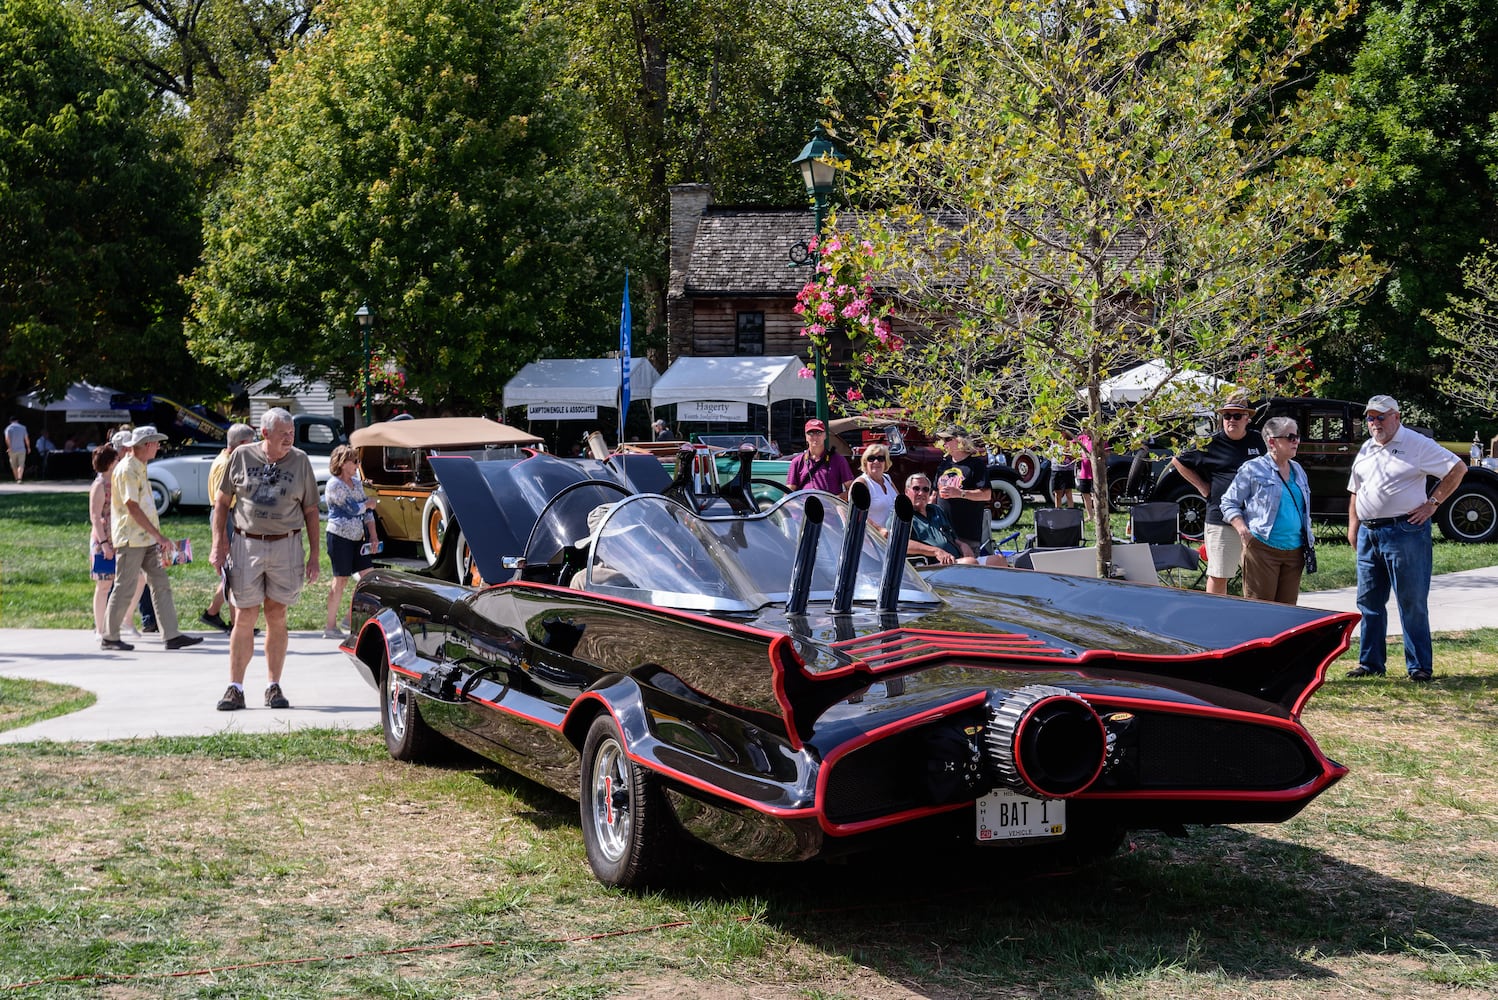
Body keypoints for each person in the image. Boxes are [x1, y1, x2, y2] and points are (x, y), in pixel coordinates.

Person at [1345, 395, 1467, 683]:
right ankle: (1370, 663)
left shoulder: (1416, 444)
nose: (1375, 423)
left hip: (1405, 531)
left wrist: (1433, 503)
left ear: (1397, 417)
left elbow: (1458, 468)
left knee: (1411, 601)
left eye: (1381, 417)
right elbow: (1355, 490)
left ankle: (1419, 666)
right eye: (1371, 418)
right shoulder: (1366, 447)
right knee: (1368, 601)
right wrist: (1353, 526)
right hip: (1369, 533)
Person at [209, 407, 321, 710]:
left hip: (287, 545)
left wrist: (315, 555)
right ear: (265, 433)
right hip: (246, 545)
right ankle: (235, 688)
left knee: (277, 615)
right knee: (244, 616)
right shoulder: (242, 456)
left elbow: (311, 510)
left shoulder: (300, 461)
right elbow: (221, 504)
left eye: (292, 434)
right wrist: (218, 544)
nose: (289, 439)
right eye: (283, 434)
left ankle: (273, 686)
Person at [99, 426, 202, 652]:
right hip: (131, 539)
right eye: (156, 443)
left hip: (145, 539)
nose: (158, 446)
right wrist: (158, 535)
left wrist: (156, 537)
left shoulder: (140, 467)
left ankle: (171, 635)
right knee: (124, 586)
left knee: (160, 583)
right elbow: (132, 506)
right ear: (146, 444)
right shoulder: (127, 469)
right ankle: (109, 636)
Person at [1169, 395, 1264, 595]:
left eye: (1237, 416)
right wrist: (1202, 486)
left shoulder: (1258, 440)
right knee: (1219, 574)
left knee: (1258, 577)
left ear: (1247, 418)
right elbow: (1177, 460)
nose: (1231, 420)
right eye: (1226, 415)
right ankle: (1214, 617)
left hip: (1256, 521)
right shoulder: (1210, 442)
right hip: (1221, 520)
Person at [1220, 417, 1313, 605]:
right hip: (1262, 549)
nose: (1296, 441)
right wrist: (1242, 530)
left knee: (1287, 613)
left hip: (1295, 551)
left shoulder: (1298, 470)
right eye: (1291, 437)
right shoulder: (1253, 468)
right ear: (1272, 441)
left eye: (1297, 436)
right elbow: (1228, 502)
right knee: (1261, 611)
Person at [197, 423, 258, 632]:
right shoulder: (226, 464)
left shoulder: (229, 459)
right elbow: (219, 505)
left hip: (230, 516)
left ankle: (212, 613)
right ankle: (237, 624)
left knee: (232, 571)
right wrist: (221, 539)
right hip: (226, 519)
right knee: (234, 571)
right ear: (241, 443)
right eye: (251, 442)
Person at [323, 444, 377, 638]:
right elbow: (353, 509)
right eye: (354, 461)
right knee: (341, 580)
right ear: (342, 463)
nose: (357, 465)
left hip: (358, 538)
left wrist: (373, 535)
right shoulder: (334, 485)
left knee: (368, 578)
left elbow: (367, 512)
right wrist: (368, 503)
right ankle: (330, 626)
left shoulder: (357, 483)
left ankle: (348, 617)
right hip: (339, 537)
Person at [895, 473, 1007, 567]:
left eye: (925, 489)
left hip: (955, 560)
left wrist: (962, 544)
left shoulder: (936, 510)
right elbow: (900, 543)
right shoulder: (903, 514)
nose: (921, 493)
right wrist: (935, 551)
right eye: (916, 489)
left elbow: (950, 535)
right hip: (930, 566)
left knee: (999, 560)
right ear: (906, 491)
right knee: (970, 563)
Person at [934, 427, 993, 554]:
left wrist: (960, 493)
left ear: (961, 441)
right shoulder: (944, 465)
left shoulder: (976, 465)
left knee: (966, 569)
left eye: (948, 439)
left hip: (966, 534)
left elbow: (986, 494)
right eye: (942, 439)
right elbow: (934, 492)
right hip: (943, 532)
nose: (944, 443)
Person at [87, 444, 119, 637]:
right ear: (108, 463)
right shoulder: (99, 486)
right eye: (116, 460)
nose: (118, 462)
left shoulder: (114, 481)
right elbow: (95, 517)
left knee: (118, 584)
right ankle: (100, 628)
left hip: (117, 538)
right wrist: (105, 544)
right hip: (102, 542)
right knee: (103, 585)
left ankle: (113, 623)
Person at [785, 419, 854, 497]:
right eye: (810, 433)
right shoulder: (797, 462)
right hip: (804, 507)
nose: (815, 437)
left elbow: (851, 489)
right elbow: (789, 492)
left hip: (830, 508)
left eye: (818, 433)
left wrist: (835, 500)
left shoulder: (838, 460)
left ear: (825, 435)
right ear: (806, 437)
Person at [852, 444, 897, 530]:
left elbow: (899, 503)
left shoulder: (887, 478)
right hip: (872, 538)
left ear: (886, 462)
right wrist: (879, 530)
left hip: (893, 536)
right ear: (865, 462)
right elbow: (857, 514)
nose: (876, 462)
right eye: (871, 458)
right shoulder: (862, 483)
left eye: (880, 458)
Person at [1050, 432, 1077, 509]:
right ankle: (1058, 511)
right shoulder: (1054, 443)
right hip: (1056, 470)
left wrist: (1067, 452)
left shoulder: (1070, 443)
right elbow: (1050, 455)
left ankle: (1071, 511)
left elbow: (1074, 457)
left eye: (1061, 432)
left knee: (1068, 492)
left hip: (1067, 470)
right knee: (1057, 494)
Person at [5, 416, 29, 483]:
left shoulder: (8, 428)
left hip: (12, 450)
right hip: (21, 449)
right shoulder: (23, 427)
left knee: (14, 465)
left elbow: (7, 438)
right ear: (17, 420)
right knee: (21, 465)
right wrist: (28, 447)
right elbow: (26, 439)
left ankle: (16, 479)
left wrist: (9, 447)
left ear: (10, 421)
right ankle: (19, 479)